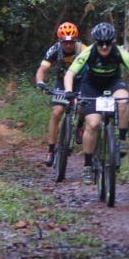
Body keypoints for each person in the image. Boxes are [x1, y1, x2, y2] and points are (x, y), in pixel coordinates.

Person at [63, 22, 129, 184]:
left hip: (113, 83)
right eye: (101, 43)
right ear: (96, 42)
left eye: (108, 43)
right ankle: (88, 165)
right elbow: (70, 73)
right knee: (94, 124)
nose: (104, 47)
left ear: (112, 42)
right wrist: (69, 92)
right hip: (92, 86)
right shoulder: (89, 52)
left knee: (124, 101)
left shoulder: (120, 52)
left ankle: (122, 141)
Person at [35, 22, 87, 166]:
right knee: (57, 112)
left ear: (75, 41)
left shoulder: (83, 49)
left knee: (83, 105)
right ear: (60, 41)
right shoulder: (55, 50)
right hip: (62, 82)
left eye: (71, 42)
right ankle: (51, 150)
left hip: (81, 81)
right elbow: (42, 69)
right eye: (65, 43)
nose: (68, 46)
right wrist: (40, 82)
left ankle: (80, 126)